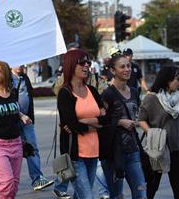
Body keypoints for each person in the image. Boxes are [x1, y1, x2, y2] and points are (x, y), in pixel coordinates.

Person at [56, 49, 108, 199]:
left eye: (88, 62)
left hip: (94, 151)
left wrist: (84, 122)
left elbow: (107, 119)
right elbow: (72, 125)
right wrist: (96, 123)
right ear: (71, 65)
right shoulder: (65, 93)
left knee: (80, 195)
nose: (86, 66)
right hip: (75, 155)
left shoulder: (92, 90)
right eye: (82, 62)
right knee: (87, 196)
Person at [0, 60, 31, 199]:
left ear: (6, 73)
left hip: (16, 143)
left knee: (14, 183)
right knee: (7, 181)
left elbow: (14, 109)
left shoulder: (13, 92)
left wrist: (22, 116)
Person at [100, 53, 147, 199]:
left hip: (133, 150)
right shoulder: (107, 94)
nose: (127, 69)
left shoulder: (133, 91)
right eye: (122, 67)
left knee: (141, 193)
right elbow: (101, 122)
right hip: (114, 153)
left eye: (128, 66)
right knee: (117, 195)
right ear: (113, 71)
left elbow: (137, 114)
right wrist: (120, 122)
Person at [138, 66, 179, 199]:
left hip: (176, 147)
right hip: (157, 147)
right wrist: (153, 134)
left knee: (177, 184)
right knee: (152, 184)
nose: (178, 82)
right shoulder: (152, 98)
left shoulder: (178, 97)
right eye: (177, 79)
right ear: (167, 80)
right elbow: (141, 120)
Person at [11, 65, 54, 191]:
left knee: (32, 148)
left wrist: (30, 117)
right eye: (17, 63)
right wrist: (20, 115)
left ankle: (37, 179)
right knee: (10, 151)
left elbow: (29, 98)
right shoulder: (7, 79)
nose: (20, 66)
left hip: (27, 121)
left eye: (22, 63)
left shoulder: (25, 78)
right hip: (12, 122)